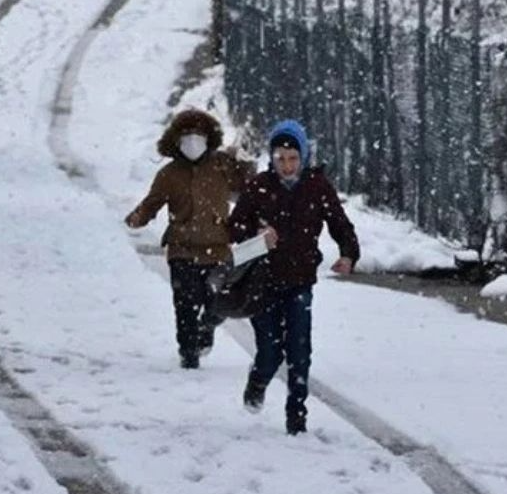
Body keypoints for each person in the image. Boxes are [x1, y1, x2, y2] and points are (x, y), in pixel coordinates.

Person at [228, 119, 360, 435]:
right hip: (263, 282)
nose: (286, 166)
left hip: (300, 281)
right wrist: (257, 234)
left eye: (292, 159)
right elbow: (232, 227)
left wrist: (348, 254)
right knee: (271, 353)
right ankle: (258, 380)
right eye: (280, 159)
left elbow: (341, 225)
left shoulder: (317, 187)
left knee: (300, 352)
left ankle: (296, 419)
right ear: (271, 158)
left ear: (303, 157)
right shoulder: (258, 186)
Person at [126, 109, 253, 369]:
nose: (193, 141)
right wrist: (138, 217)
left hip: (217, 250)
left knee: (214, 302)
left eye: (198, 135)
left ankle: (206, 329)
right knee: (184, 304)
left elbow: (248, 187)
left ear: (209, 138)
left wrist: (244, 161)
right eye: (187, 136)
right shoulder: (169, 174)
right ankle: (188, 352)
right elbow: (153, 203)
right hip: (181, 250)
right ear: (176, 140)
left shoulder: (221, 165)